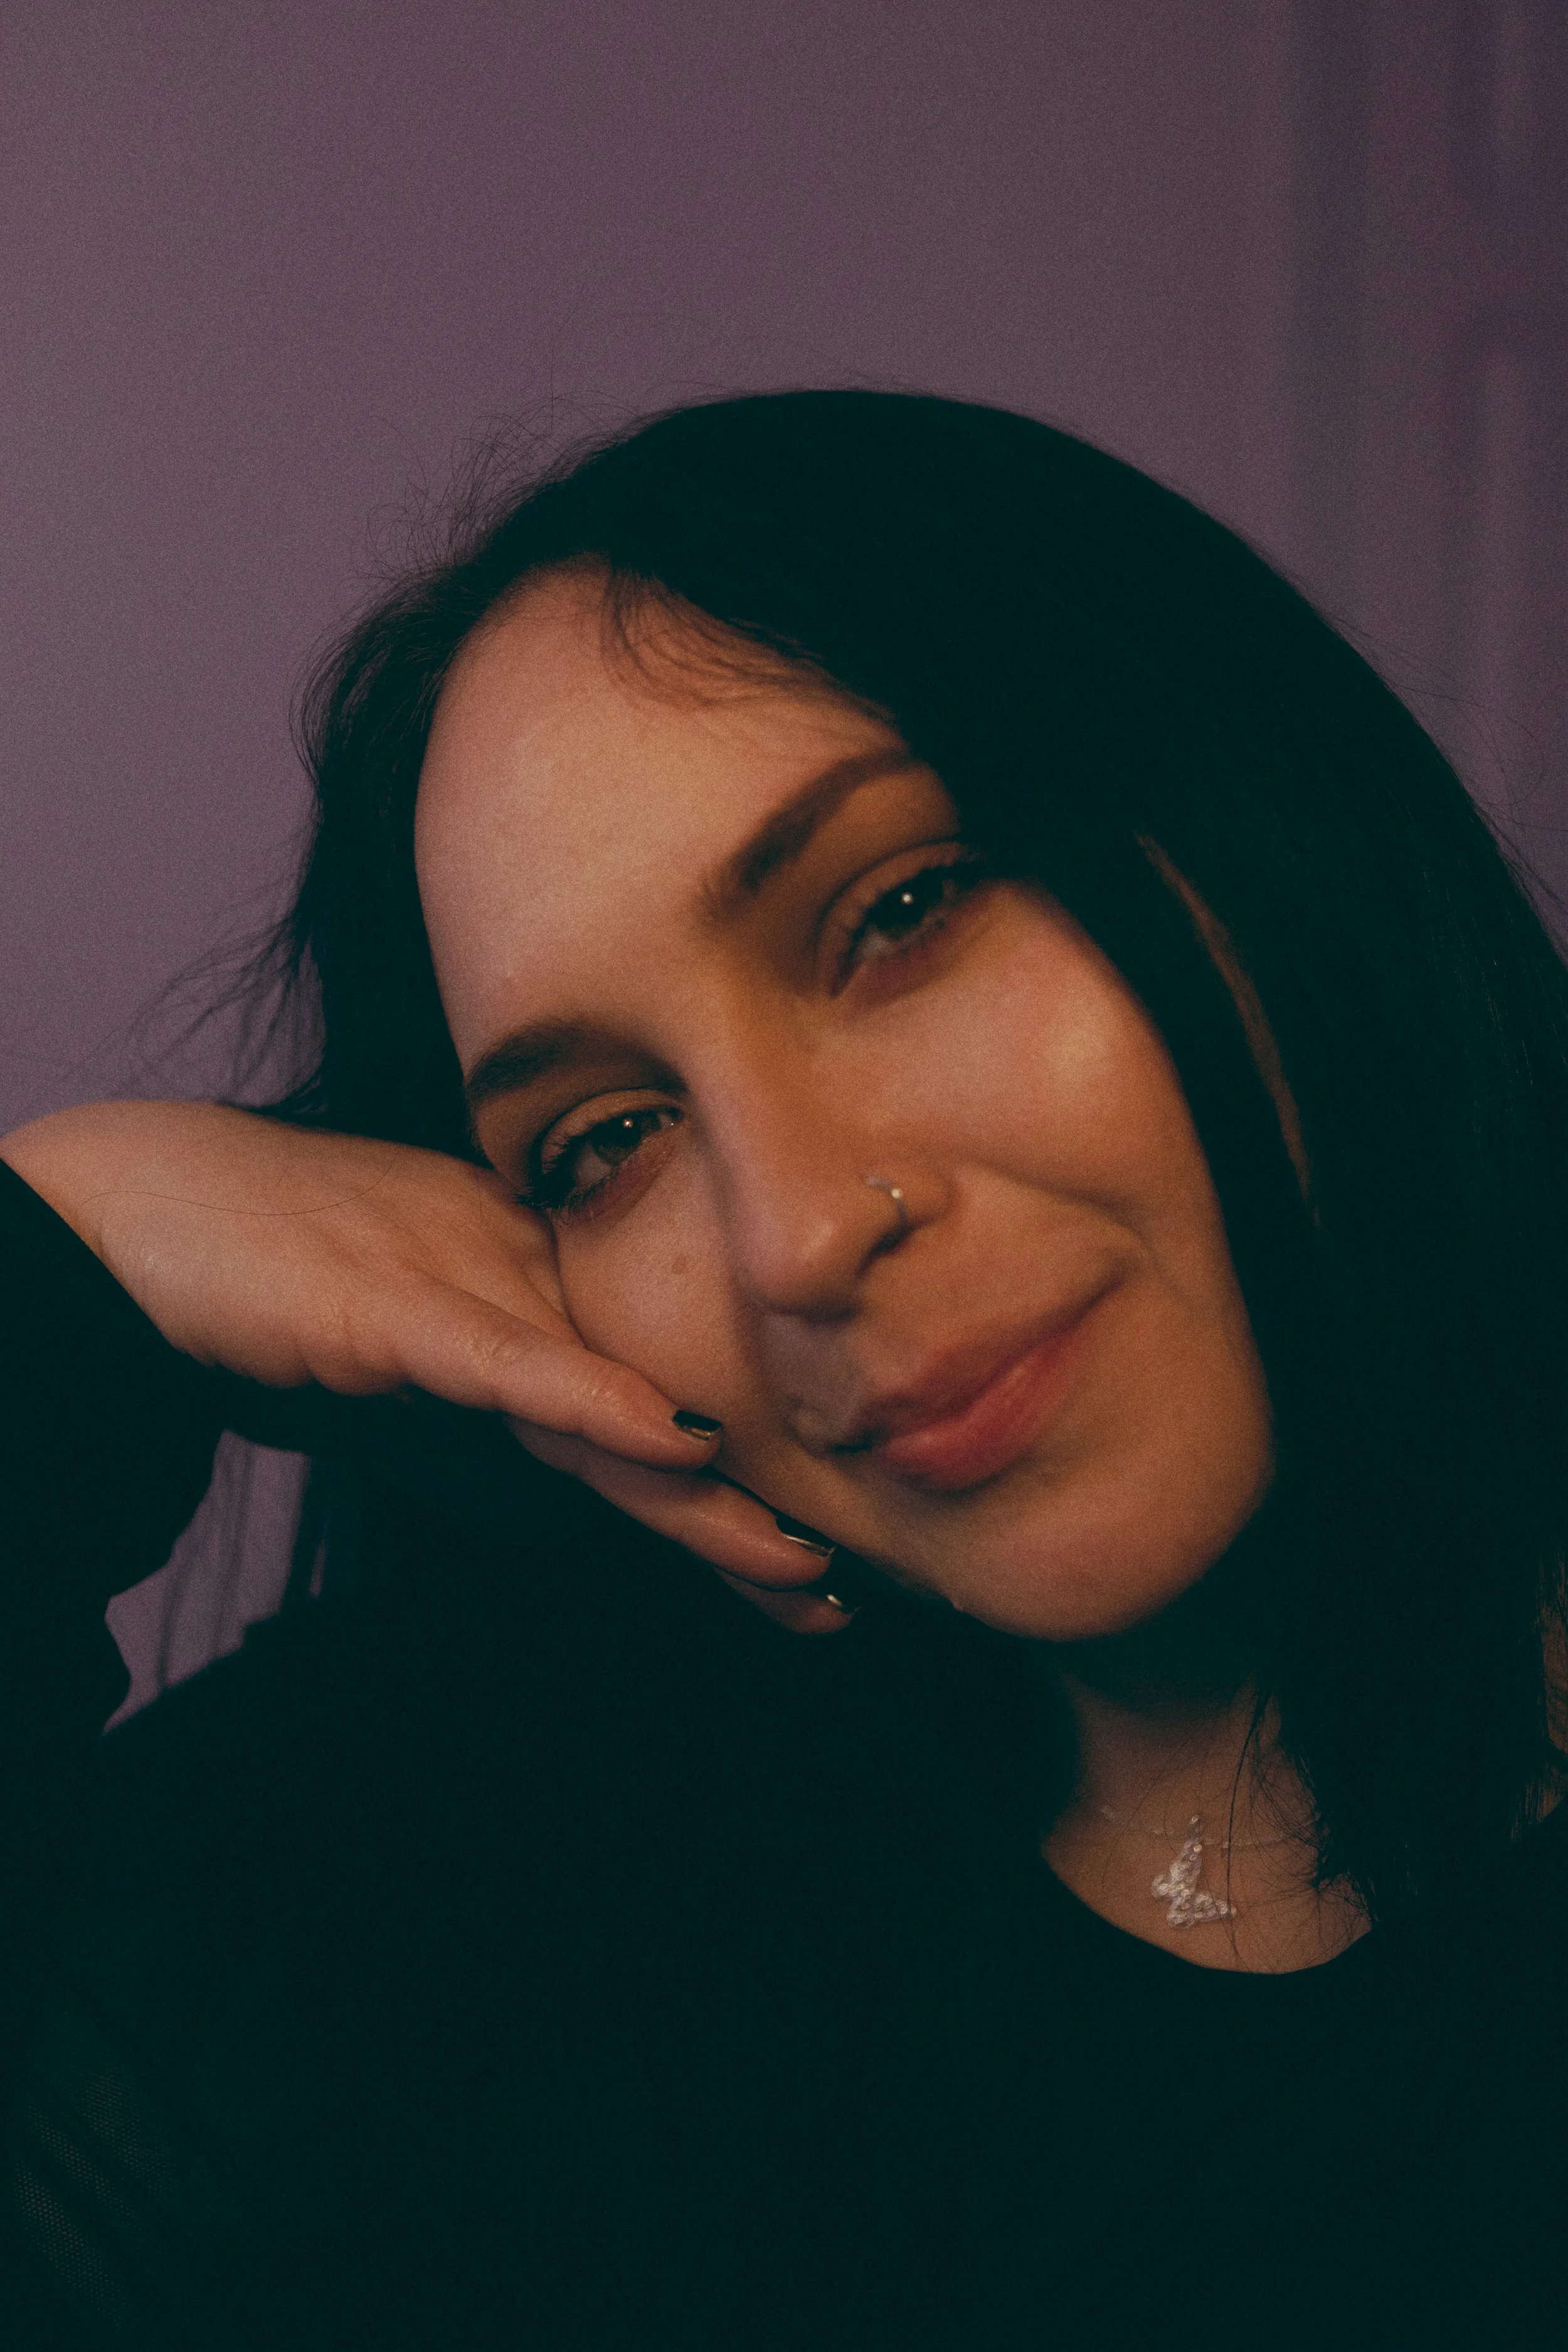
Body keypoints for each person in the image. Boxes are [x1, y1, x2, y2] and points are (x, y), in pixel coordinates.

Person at [1, 389, 1564, 2351]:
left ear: (1257, 817)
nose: (797, 1237)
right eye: (605, 1140)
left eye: (897, 913)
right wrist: (60, 1269)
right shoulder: (428, 1885)